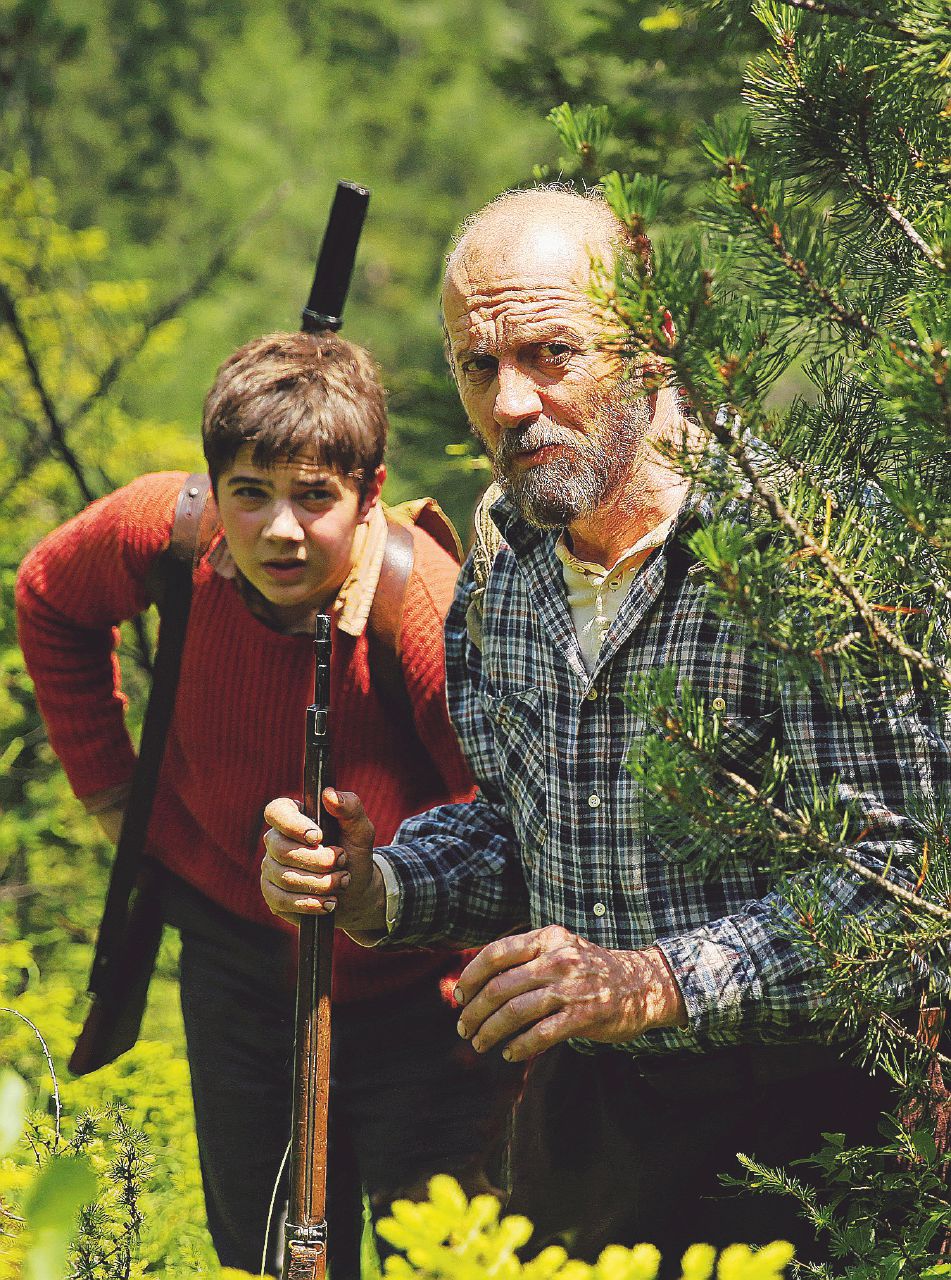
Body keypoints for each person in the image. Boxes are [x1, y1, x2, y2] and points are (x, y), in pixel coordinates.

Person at [260, 189, 949, 1272]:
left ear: (657, 340)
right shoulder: (509, 550)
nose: (514, 403)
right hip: (593, 1131)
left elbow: (898, 885)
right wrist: (375, 883)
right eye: (478, 366)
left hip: (825, 1135)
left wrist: (654, 979)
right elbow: (528, 825)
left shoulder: (805, 550)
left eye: (552, 351)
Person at [16, 330, 516, 1276]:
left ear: (368, 496)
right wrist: (115, 796)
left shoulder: (426, 613)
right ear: (213, 489)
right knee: (270, 1255)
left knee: (448, 1258)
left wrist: (404, 908)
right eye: (250, 493)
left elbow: (505, 816)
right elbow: (48, 596)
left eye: (315, 497)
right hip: (237, 963)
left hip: (425, 998)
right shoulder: (164, 532)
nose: (279, 530)